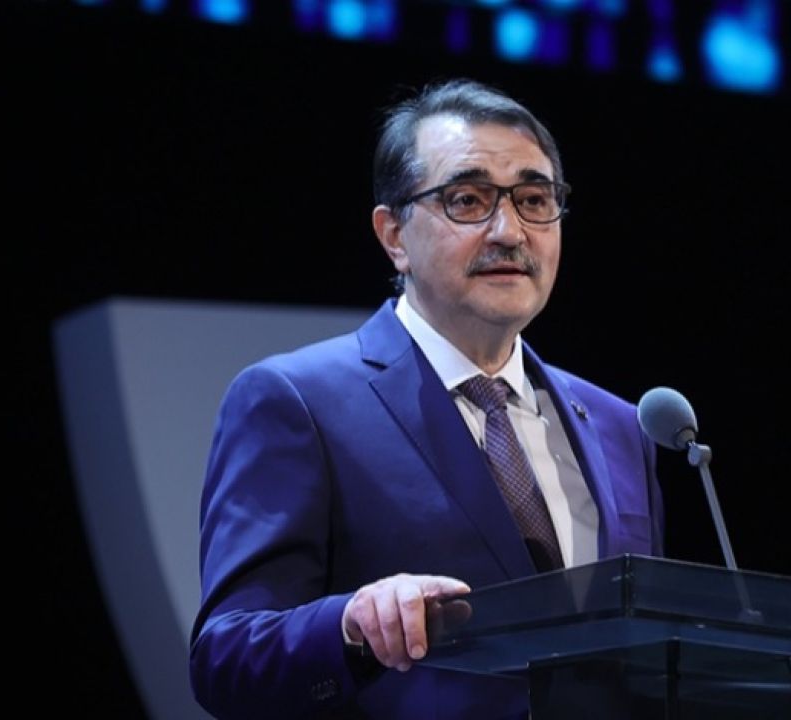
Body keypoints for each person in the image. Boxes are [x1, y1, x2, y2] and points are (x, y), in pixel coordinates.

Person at [189, 78, 664, 719]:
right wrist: (350, 625)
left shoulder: (620, 426)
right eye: (467, 200)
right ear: (394, 235)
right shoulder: (297, 402)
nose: (510, 231)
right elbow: (226, 658)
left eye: (534, 200)